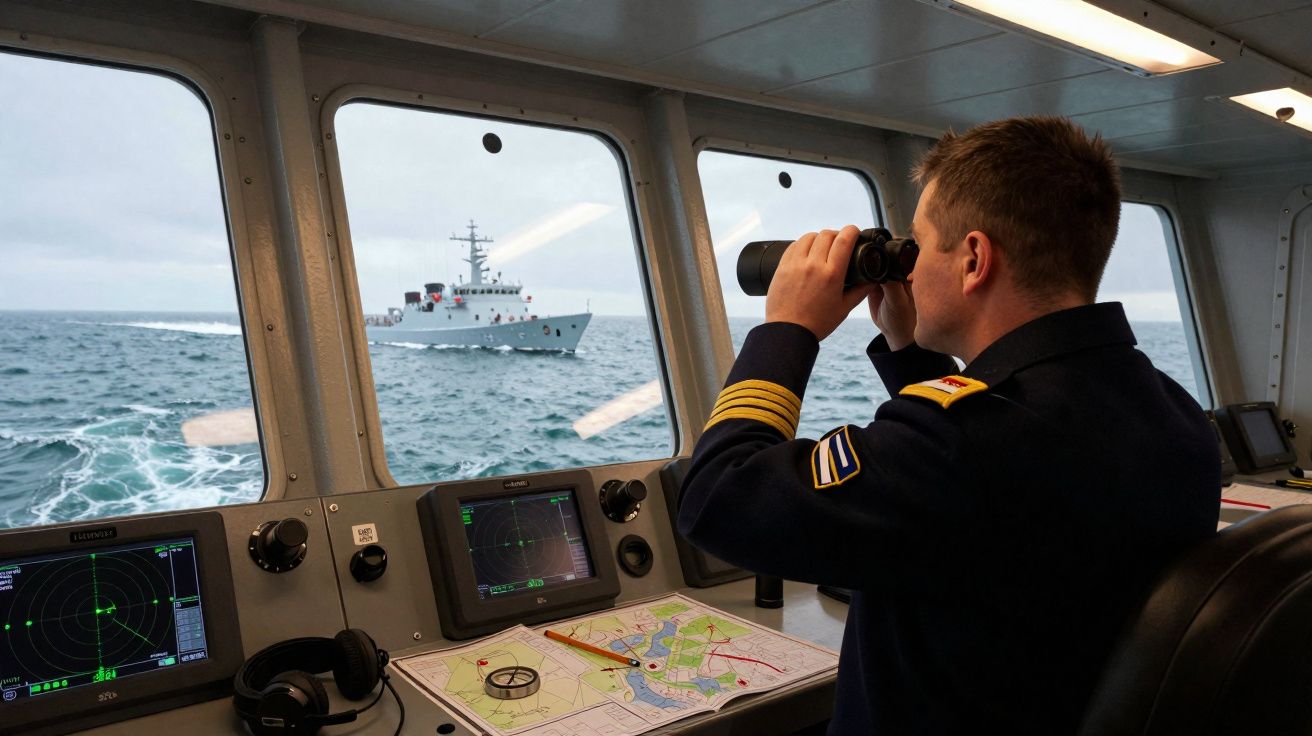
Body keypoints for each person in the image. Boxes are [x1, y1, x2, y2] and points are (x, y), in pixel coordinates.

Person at [677, 116, 1220, 735]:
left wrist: (786, 329)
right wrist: (909, 352)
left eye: (916, 244)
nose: (905, 269)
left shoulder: (964, 448)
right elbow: (976, 505)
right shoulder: (1172, 412)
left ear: (973, 259)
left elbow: (718, 497)